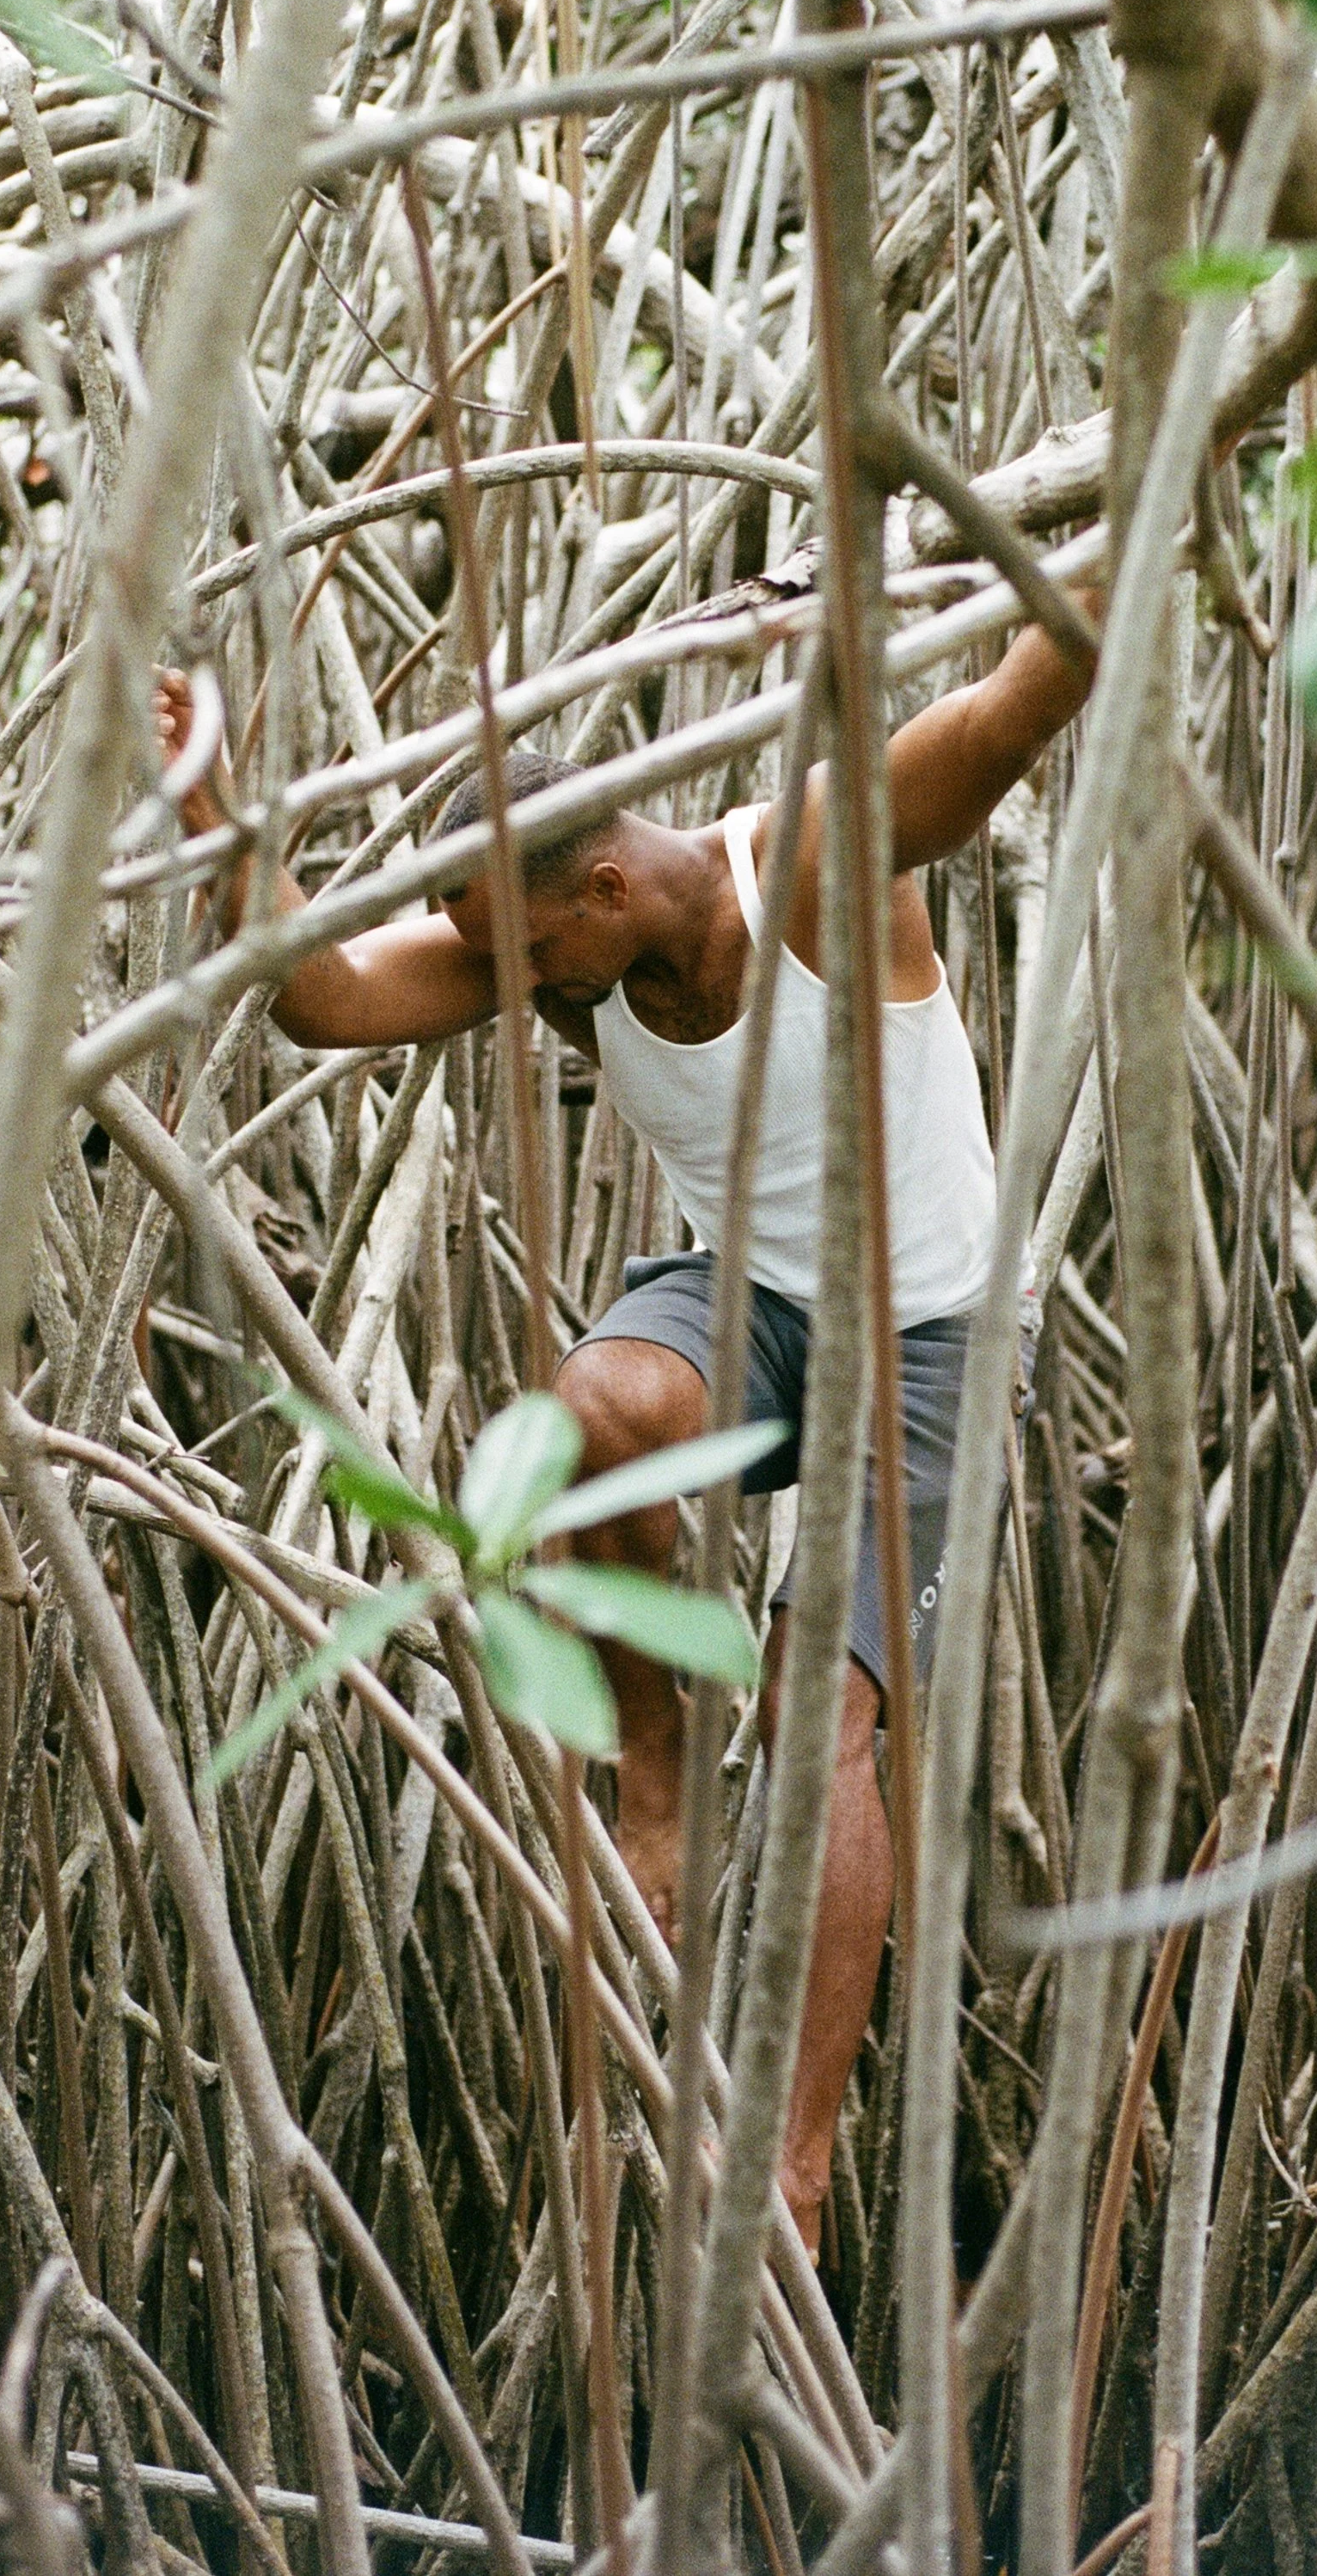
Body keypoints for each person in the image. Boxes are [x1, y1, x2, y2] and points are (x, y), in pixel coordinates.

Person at [153, 602, 1099, 2252]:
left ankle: (794, 2164)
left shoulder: (816, 857)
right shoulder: (565, 944)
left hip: (932, 1336)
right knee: (589, 1407)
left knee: (827, 1713)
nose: (516, 993)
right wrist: (217, 809)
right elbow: (323, 1000)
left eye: (523, 955)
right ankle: (656, 1765)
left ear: (597, 889)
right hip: (754, 1301)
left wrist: (1164, 481)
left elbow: (1021, 707)